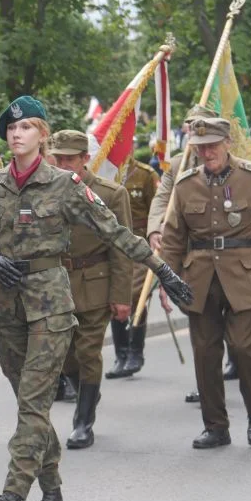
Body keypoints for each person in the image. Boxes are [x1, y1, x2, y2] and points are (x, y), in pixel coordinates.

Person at [0, 96, 192, 501]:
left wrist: (162, 269)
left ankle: (13, 493)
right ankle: (54, 496)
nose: (16, 134)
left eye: (25, 128)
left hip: (51, 305)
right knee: (32, 410)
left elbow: (116, 232)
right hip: (8, 307)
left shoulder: (65, 185)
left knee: (33, 401)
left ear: (42, 135)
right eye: (10, 128)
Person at [160, 117, 251, 449]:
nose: (207, 153)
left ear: (227, 143)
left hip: (246, 275)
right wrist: (167, 280)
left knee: (244, 348)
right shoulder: (186, 183)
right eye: (201, 148)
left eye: (213, 145)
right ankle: (216, 425)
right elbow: (174, 239)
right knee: (205, 353)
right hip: (200, 279)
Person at [146, 104, 239, 401]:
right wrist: (155, 229)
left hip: (229, 254)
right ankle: (208, 382)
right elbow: (162, 199)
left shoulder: (233, 162)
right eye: (189, 128)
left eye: (199, 126)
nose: (193, 134)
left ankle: (236, 357)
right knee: (202, 322)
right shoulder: (177, 164)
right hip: (193, 253)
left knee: (234, 323)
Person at [49, 130, 133, 449]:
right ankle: (88, 388)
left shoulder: (110, 194)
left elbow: (122, 247)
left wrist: (122, 296)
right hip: (56, 285)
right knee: (65, 357)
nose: (62, 164)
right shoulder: (44, 191)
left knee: (87, 351)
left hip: (95, 283)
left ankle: (83, 422)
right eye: (58, 159)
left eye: (69, 159)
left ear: (85, 159)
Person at [107, 153, 159, 379]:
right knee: (114, 296)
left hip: (138, 245)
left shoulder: (145, 175)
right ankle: (121, 354)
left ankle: (135, 353)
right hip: (111, 245)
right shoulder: (104, 171)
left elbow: (155, 211)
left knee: (135, 295)